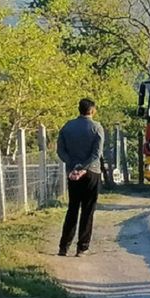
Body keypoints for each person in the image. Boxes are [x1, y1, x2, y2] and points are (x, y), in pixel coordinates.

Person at [57, 98, 105, 257]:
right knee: (88, 210)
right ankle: (82, 248)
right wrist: (84, 167)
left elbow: (61, 151)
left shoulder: (67, 127)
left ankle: (63, 247)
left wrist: (73, 165)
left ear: (79, 109)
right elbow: (96, 154)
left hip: (73, 173)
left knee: (72, 208)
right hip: (92, 172)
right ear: (92, 110)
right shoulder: (97, 128)